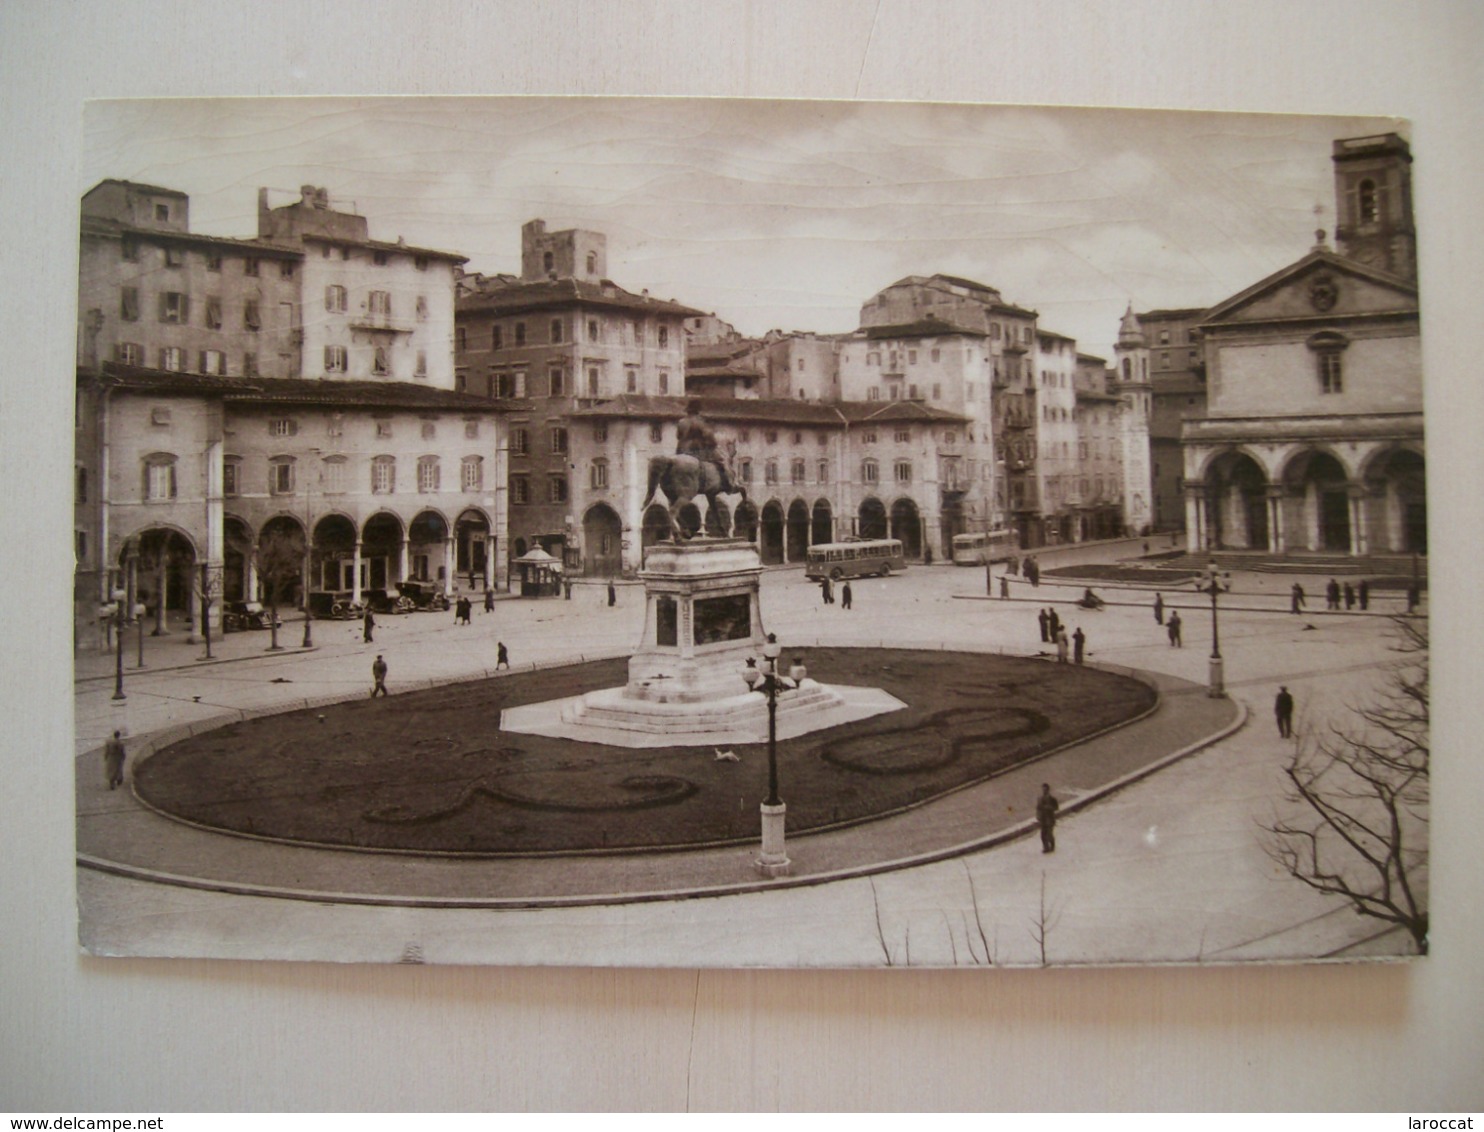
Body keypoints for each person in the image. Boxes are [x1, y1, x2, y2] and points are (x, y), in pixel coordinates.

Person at [1036, 783, 1059, 853]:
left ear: (1048, 790)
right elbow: (1038, 808)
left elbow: (1056, 808)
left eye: (1045, 790)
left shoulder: (1052, 799)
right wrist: (1038, 816)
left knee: (1049, 834)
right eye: (1043, 790)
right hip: (1043, 819)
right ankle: (1046, 847)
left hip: (1050, 819)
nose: (1044, 791)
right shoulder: (1040, 799)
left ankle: (1052, 846)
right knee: (1043, 835)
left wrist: (1048, 807)